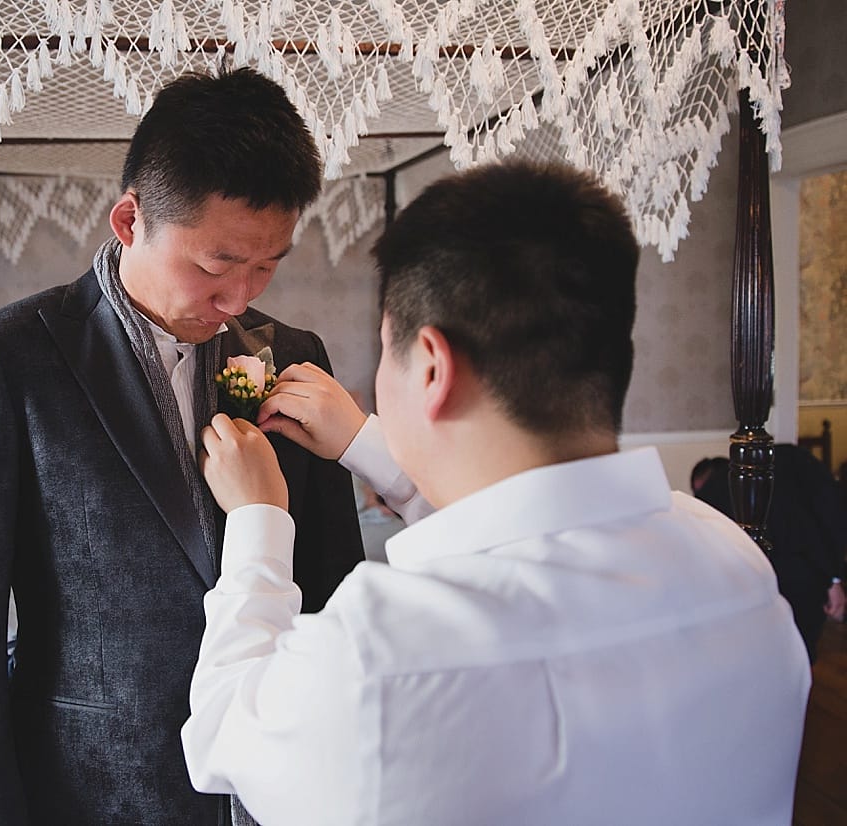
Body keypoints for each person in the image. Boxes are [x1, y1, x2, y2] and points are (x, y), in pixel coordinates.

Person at [183, 161, 811, 825]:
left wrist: (258, 522)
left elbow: (224, 731)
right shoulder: (735, 564)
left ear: (430, 365)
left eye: (385, 348)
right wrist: (367, 443)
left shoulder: (379, 655)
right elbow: (521, 536)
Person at [0, 68, 365, 826]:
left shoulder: (294, 352)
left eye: (266, 267)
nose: (238, 300)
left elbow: (333, 584)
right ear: (129, 220)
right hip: (95, 790)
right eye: (216, 265)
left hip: (278, 785)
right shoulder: (7, 358)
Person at [692, 448, 847, 662]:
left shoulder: (712, 496)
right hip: (801, 569)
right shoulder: (779, 462)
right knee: (799, 654)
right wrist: (833, 579)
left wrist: (832, 578)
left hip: (779, 573)